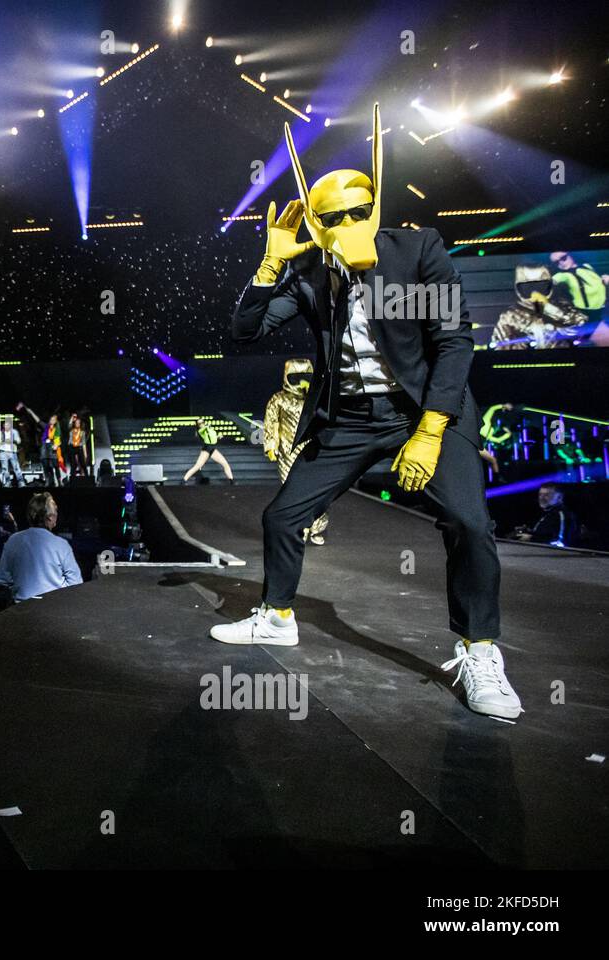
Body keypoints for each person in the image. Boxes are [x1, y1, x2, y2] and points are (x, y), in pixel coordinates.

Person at [213, 104, 520, 721]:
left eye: (361, 210)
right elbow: (240, 334)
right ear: (319, 224)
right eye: (336, 217)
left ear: (375, 207)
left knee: (469, 524)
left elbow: (455, 341)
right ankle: (276, 616)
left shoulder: (417, 250)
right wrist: (272, 261)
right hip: (350, 417)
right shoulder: (306, 273)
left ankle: (479, 648)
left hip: (426, 410)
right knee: (282, 516)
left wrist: (431, 432)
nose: (351, 222)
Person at [263, 359, 326, 544]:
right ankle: (298, 529)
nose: (300, 381)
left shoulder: (316, 398)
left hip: (312, 450)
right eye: (295, 377)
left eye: (305, 377)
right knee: (291, 491)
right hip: (287, 452)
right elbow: (271, 422)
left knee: (317, 491)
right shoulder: (278, 399)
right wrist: (271, 446)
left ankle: (315, 527)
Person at [0, 493, 82, 602]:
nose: (57, 514)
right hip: (54, 610)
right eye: (56, 510)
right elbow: (76, 585)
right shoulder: (61, 545)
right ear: (49, 517)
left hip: (21, 612)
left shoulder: (13, 540)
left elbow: (2, 582)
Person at [512, 484, 578, 547]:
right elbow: (545, 536)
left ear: (559, 497)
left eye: (547, 495)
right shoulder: (548, 513)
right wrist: (528, 531)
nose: (541, 498)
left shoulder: (562, 515)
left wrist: (531, 538)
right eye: (540, 495)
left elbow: (561, 542)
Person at [183, 417, 235, 484]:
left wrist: (218, 436)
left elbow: (212, 438)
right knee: (197, 466)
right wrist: (207, 426)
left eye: (202, 422)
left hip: (212, 449)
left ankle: (232, 481)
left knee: (225, 464)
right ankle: (183, 480)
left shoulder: (208, 429)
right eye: (199, 423)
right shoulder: (200, 431)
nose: (201, 424)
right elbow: (203, 430)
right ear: (197, 425)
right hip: (207, 449)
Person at [65, 413, 88, 481]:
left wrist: (85, 453)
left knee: (82, 463)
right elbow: (69, 425)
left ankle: (87, 477)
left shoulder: (82, 432)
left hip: (79, 448)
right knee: (73, 464)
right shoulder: (71, 431)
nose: (77, 424)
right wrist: (72, 417)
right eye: (76, 423)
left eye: (79, 423)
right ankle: (72, 478)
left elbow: (83, 443)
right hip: (72, 447)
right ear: (74, 423)